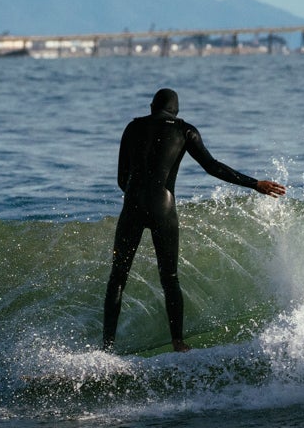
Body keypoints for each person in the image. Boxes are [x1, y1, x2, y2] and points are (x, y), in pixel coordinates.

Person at [102, 87, 286, 352]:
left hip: (132, 205)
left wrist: (137, 197)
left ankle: (106, 348)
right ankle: (178, 342)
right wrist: (255, 183)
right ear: (176, 112)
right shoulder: (185, 130)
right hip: (163, 208)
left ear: (152, 106)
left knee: (118, 278)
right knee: (170, 278)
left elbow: (122, 177)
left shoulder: (132, 128)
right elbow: (213, 167)